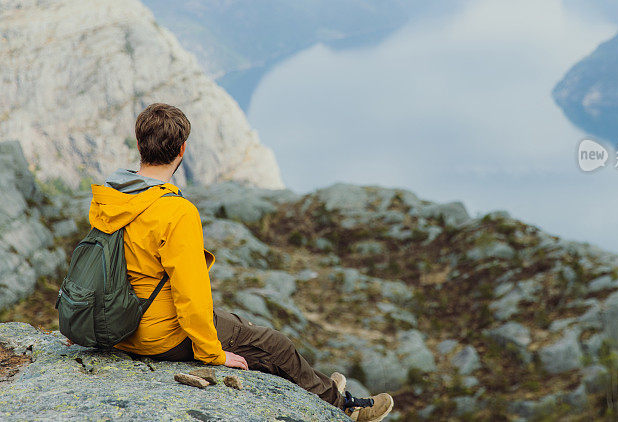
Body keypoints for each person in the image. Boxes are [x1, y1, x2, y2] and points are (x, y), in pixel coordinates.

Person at [88, 102, 393, 421]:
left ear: (138, 145)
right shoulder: (176, 212)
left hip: (115, 325)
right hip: (156, 334)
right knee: (275, 345)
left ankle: (317, 383)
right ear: (182, 150)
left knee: (239, 324)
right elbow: (191, 298)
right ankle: (342, 406)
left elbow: (98, 267)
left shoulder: (110, 197)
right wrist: (213, 354)